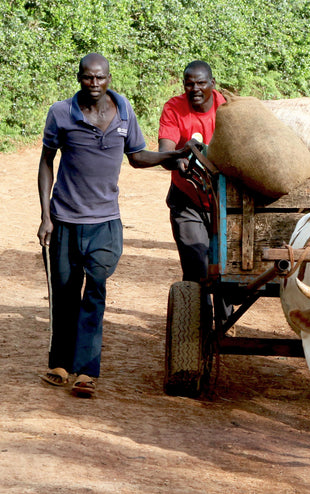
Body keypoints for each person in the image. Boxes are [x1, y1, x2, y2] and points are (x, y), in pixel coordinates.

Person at [37, 53, 193, 396]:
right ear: (79, 78)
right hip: (64, 221)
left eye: (100, 78)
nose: (94, 84)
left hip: (106, 224)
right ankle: (60, 364)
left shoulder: (124, 112)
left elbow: (137, 157)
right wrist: (46, 216)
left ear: (109, 78)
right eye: (88, 78)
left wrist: (172, 156)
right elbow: (46, 162)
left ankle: (87, 372)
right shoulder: (61, 114)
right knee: (64, 294)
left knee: (95, 290)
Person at [158, 60, 231, 321]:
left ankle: (225, 320)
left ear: (212, 83)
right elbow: (164, 151)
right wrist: (178, 158)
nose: (195, 89)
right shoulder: (174, 108)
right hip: (187, 198)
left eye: (201, 83)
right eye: (189, 84)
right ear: (184, 86)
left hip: (224, 201)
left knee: (225, 267)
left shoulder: (228, 109)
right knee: (195, 266)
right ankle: (198, 326)